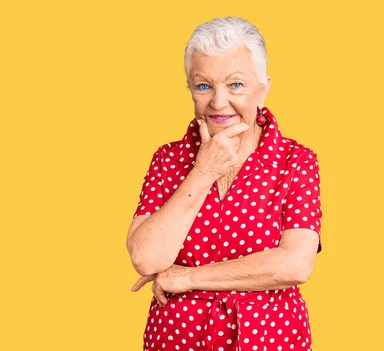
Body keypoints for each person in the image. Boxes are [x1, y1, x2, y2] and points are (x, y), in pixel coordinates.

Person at [126, 16, 323, 351]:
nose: (218, 103)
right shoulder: (168, 159)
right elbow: (146, 258)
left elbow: (294, 264)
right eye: (204, 86)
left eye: (236, 85)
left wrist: (186, 277)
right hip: (177, 339)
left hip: (269, 338)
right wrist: (204, 170)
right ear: (189, 88)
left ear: (263, 89)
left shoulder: (296, 160)